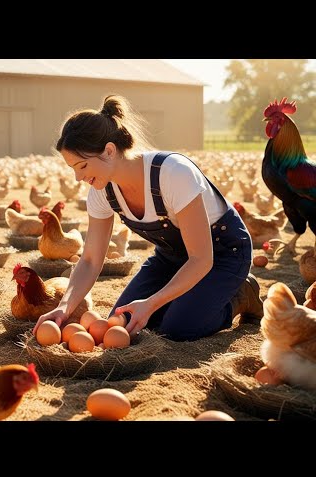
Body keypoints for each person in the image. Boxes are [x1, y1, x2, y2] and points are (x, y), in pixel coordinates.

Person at [32, 94, 263, 341]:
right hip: (172, 258)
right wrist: (64, 307)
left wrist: (151, 303)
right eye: (73, 169)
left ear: (109, 151)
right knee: (123, 322)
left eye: (83, 166)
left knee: (177, 329)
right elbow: (89, 260)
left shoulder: (173, 173)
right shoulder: (102, 192)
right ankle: (184, 302)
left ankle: (242, 294)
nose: (78, 178)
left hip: (222, 254)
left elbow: (201, 258)